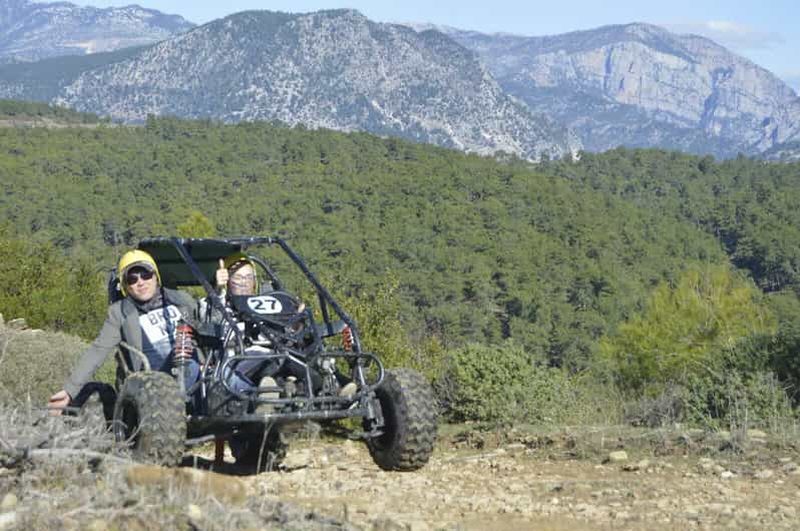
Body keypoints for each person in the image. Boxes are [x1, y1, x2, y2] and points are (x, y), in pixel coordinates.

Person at [48, 249, 200, 415]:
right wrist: (69, 391)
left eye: (146, 275)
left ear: (156, 276)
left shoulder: (181, 300)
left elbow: (210, 325)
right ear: (125, 286)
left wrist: (220, 287)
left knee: (200, 366)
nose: (140, 282)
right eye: (132, 279)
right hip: (152, 384)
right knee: (187, 364)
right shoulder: (120, 312)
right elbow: (97, 350)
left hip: (197, 375)